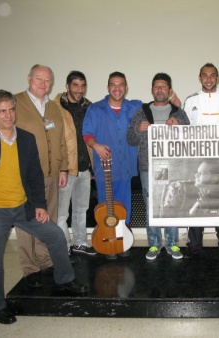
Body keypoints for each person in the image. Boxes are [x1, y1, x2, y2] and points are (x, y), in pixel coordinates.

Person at [0, 90, 87, 325]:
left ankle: (64, 279)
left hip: (23, 207)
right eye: (2, 111)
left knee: (55, 235)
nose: (8, 115)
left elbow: (33, 174)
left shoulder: (26, 138)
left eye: (11, 109)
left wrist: (39, 205)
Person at [0, 65, 68, 289]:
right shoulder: (15, 102)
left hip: (51, 174)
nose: (43, 84)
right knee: (27, 225)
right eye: (39, 79)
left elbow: (61, 140)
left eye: (48, 80)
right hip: (25, 178)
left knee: (48, 221)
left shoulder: (54, 107)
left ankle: (46, 261)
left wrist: (64, 167)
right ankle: (30, 269)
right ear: (29, 79)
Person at [127, 73, 189, 261]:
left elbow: (190, 137)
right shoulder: (141, 111)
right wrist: (138, 130)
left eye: (163, 87)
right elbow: (130, 139)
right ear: (152, 90)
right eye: (156, 86)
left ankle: (172, 244)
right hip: (148, 167)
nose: (159, 89)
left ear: (170, 91)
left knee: (172, 204)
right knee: (151, 207)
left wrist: (181, 125)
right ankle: (154, 243)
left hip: (173, 167)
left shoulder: (179, 112)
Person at [182, 62, 219, 258]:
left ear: (217, 78)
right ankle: (195, 241)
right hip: (198, 160)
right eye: (204, 75)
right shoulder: (190, 101)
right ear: (199, 78)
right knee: (197, 197)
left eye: (212, 75)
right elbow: (184, 128)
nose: (208, 79)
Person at [82, 71, 141, 258]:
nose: (117, 88)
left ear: (126, 87)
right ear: (108, 87)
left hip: (126, 167)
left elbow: (155, 110)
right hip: (105, 168)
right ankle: (108, 242)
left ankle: (122, 241)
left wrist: (174, 104)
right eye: (113, 85)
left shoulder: (135, 107)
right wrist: (96, 146)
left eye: (121, 84)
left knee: (124, 208)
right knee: (105, 207)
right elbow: (87, 134)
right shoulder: (96, 109)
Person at [53, 71, 96, 255]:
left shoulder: (89, 107)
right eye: (75, 85)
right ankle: (64, 248)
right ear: (67, 86)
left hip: (85, 169)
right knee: (62, 214)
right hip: (66, 169)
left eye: (82, 85)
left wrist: (93, 166)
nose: (79, 90)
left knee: (81, 209)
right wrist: (61, 167)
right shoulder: (55, 108)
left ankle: (79, 243)